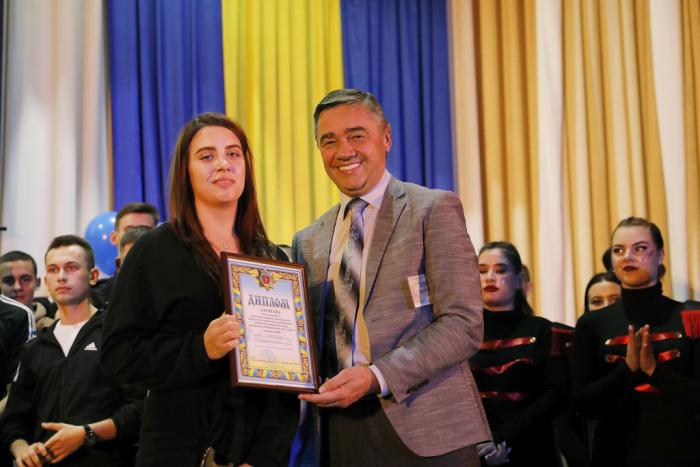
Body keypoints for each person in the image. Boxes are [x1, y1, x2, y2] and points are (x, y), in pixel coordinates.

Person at [292, 89, 489, 466]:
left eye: (356, 135)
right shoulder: (308, 240)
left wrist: (376, 376)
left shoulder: (432, 209)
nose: (344, 150)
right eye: (328, 141)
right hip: (339, 431)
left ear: (386, 137)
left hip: (428, 430)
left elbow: (463, 324)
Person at [101, 113, 298, 466]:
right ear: (186, 172)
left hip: (254, 454)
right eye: (207, 156)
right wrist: (200, 348)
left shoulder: (271, 258)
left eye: (233, 154)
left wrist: (264, 458)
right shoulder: (154, 251)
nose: (223, 164)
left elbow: (287, 381)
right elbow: (118, 354)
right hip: (176, 450)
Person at [1, 235, 144, 466]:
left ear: (93, 276)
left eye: (71, 267)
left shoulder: (116, 335)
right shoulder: (34, 347)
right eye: (53, 269)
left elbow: (140, 409)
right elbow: (14, 420)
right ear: (46, 281)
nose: (61, 276)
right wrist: (22, 450)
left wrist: (86, 434)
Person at [573, 217, 700, 466]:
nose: (627, 257)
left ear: (661, 255)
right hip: (614, 454)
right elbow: (582, 405)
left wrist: (654, 371)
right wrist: (627, 370)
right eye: (618, 250)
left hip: (682, 452)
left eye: (640, 248)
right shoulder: (591, 323)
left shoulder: (692, 317)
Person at [470, 241, 565, 466]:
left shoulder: (543, 330)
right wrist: (481, 444)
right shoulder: (463, 333)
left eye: (500, 270)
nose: (489, 278)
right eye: (482, 271)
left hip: (532, 447)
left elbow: (555, 395)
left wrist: (503, 439)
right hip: (476, 450)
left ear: (518, 279)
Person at [92, 203, 159, 308]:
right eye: (129, 230)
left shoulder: (174, 292)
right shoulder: (94, 298)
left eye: (146, 230)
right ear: (114, 238)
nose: (138, 235)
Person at [1, 251, 57, 329]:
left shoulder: (54, 329)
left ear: (37, 283)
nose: (17, 287)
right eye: (9, 280)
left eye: (25, 279)